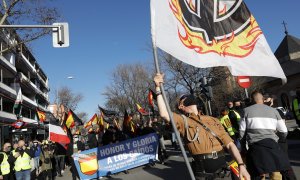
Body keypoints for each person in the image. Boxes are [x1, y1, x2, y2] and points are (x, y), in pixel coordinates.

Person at [154, 73, 250, 180]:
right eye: (183, 98)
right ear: (181, 106)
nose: (188, 97)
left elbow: (230, 145)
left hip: (223, 171)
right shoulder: (183, 121)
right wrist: (158, 88)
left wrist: (241, 165)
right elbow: (164, 113)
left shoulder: (213, 119)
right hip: (204, 174)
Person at [239, 91, 291, 180]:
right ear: (263, 99)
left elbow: (241, 133)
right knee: (276, 174)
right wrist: (279, 141)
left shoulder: (246, 111)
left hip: (255, 148)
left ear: (252, 100)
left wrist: (244, 148)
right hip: (273, 147)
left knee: (257, 174)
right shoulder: (273, 111)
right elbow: (284, 131)